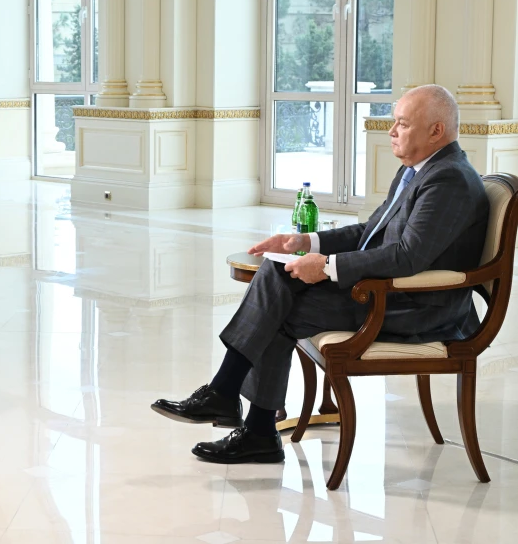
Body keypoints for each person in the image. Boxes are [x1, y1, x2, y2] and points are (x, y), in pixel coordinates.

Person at [151, 84, 489, 464]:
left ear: (436, 131)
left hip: (418, 308)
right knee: (277, 276)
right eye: (394, 121)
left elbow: (407, 256)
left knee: (276, 309)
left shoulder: (448, 180)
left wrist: (327, 266)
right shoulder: (418, 170)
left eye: (403, 124)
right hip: (391, 293)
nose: (392, 131)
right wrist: (304, 242)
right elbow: (370, 232)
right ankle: (235, 407)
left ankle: (243, 415)